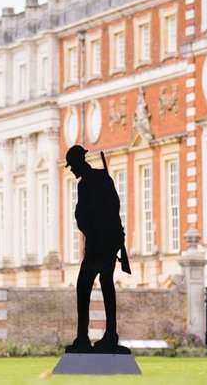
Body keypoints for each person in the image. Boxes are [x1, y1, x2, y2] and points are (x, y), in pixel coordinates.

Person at [64, 144, 131, 354]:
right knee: (103, 283)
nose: (72, 170)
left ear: (78, 163)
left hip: (100, 241)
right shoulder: (98, 179)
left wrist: (92, 227)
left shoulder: (90, 183)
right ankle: (106, 333)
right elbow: (112, 207)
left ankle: (89, 336)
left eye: (72, 166)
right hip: (104, 241)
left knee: (86, 285)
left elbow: (102, 210)